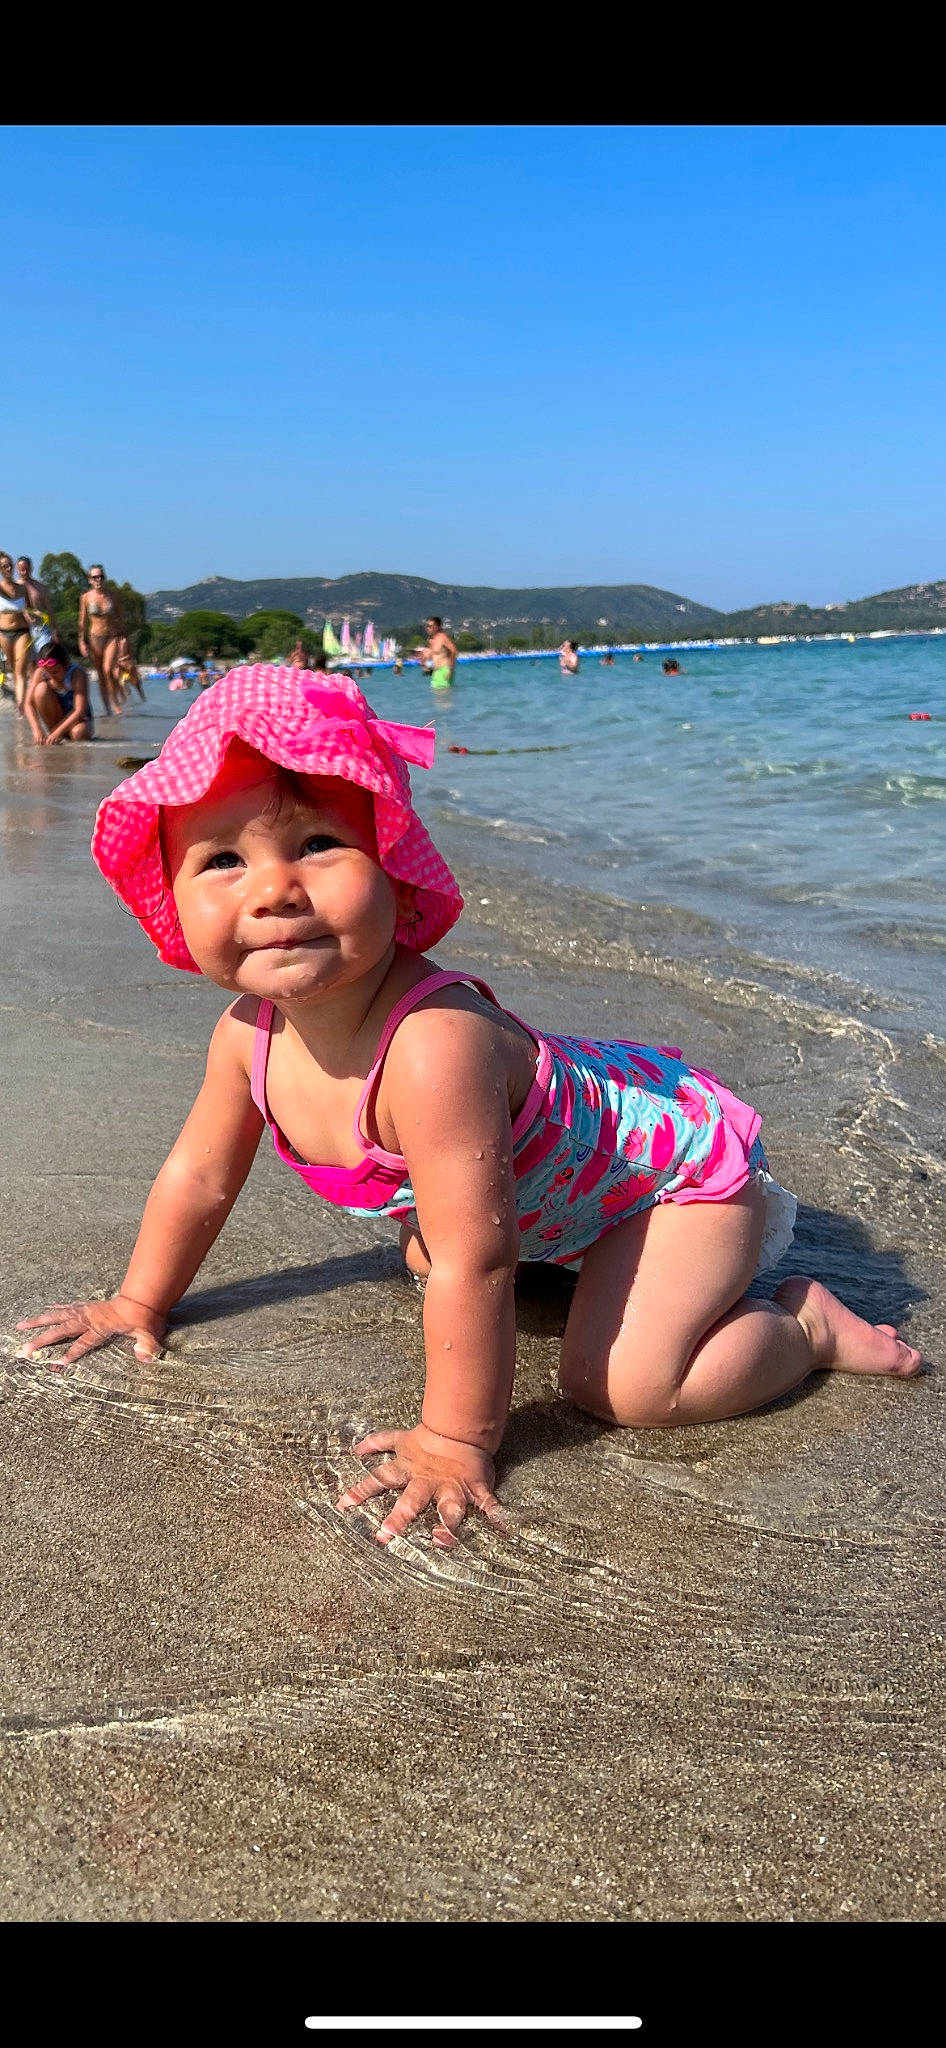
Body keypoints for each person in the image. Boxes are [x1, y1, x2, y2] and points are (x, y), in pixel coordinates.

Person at [16, 665, 923, 1551]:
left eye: (320, 844)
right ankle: (579, 1264)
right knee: (431, 1246)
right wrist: (139, 1302)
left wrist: (455, 1440)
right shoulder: (245, 1033)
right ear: (171, 899)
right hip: (555, 1197)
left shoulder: (432, 1045)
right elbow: (201, 1175)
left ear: (396, 865)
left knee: (624, 1388)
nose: (275, 890)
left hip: (671, 1183)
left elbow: (478, 1261)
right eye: (222, 860)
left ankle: (804, 1326)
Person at [23, 643, 94, 744]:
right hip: (56, 718)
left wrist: (58, 732)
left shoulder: (77, 674)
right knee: (40, 689)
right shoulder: (40, 673)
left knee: (79, 733)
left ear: (66, 664)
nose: (51, 676)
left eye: (55, 672)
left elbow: (80, 710)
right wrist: (37, 729)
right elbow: (28, 704)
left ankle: (58, 733)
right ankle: (54, 732)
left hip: (79, 720)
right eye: (48, 672)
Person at [78, 564, 124, 715]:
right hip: (94, 638)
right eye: (95, 577)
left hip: (111, 636)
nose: (98, 580)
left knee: (108, 670)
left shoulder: (113, 596)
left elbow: (120, 618)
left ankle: (116, 704)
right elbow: (82, 621)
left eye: (101, 576)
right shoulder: (85, 597)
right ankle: (107, 709)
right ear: (90, 580)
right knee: (101, 675)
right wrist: (81, 642)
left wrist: (124, 639)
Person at [0, 550, 39, 709]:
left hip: (22, 632)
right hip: (4, 633)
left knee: (20, 670)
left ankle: (22, 709)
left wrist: (36, 616)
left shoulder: (22, 589)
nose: (8, 569)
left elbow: (29, 609)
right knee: (14, 670)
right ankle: (21, 703)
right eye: (4, 567)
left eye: (9, 566)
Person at [416, 616, 457, 690]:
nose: (428, 628)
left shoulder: (442, 637)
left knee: (443, 699)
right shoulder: (431, 640)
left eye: (430, 626)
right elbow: (433, 656)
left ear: (437, 627)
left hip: (444, 671)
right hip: (435, 673)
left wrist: (450, 669)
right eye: (427, 626)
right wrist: (424, 664)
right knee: (437, 699)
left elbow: (453, 650)